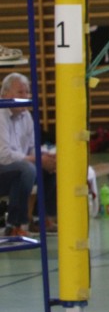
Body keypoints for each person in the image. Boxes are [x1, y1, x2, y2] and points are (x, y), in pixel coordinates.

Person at [0, 73, 57, 237]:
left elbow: (32, 148)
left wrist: (46, 157)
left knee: (50, 165)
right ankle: (13, 225)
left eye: (27, 92)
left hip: (17, 167)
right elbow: (4, 156)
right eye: (20, 92)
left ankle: (40, 219)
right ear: (5, 94)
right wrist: (37, 159)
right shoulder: (1, 115)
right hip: (4, 168)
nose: (25, 96)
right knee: (27, 169)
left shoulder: (26, 116)